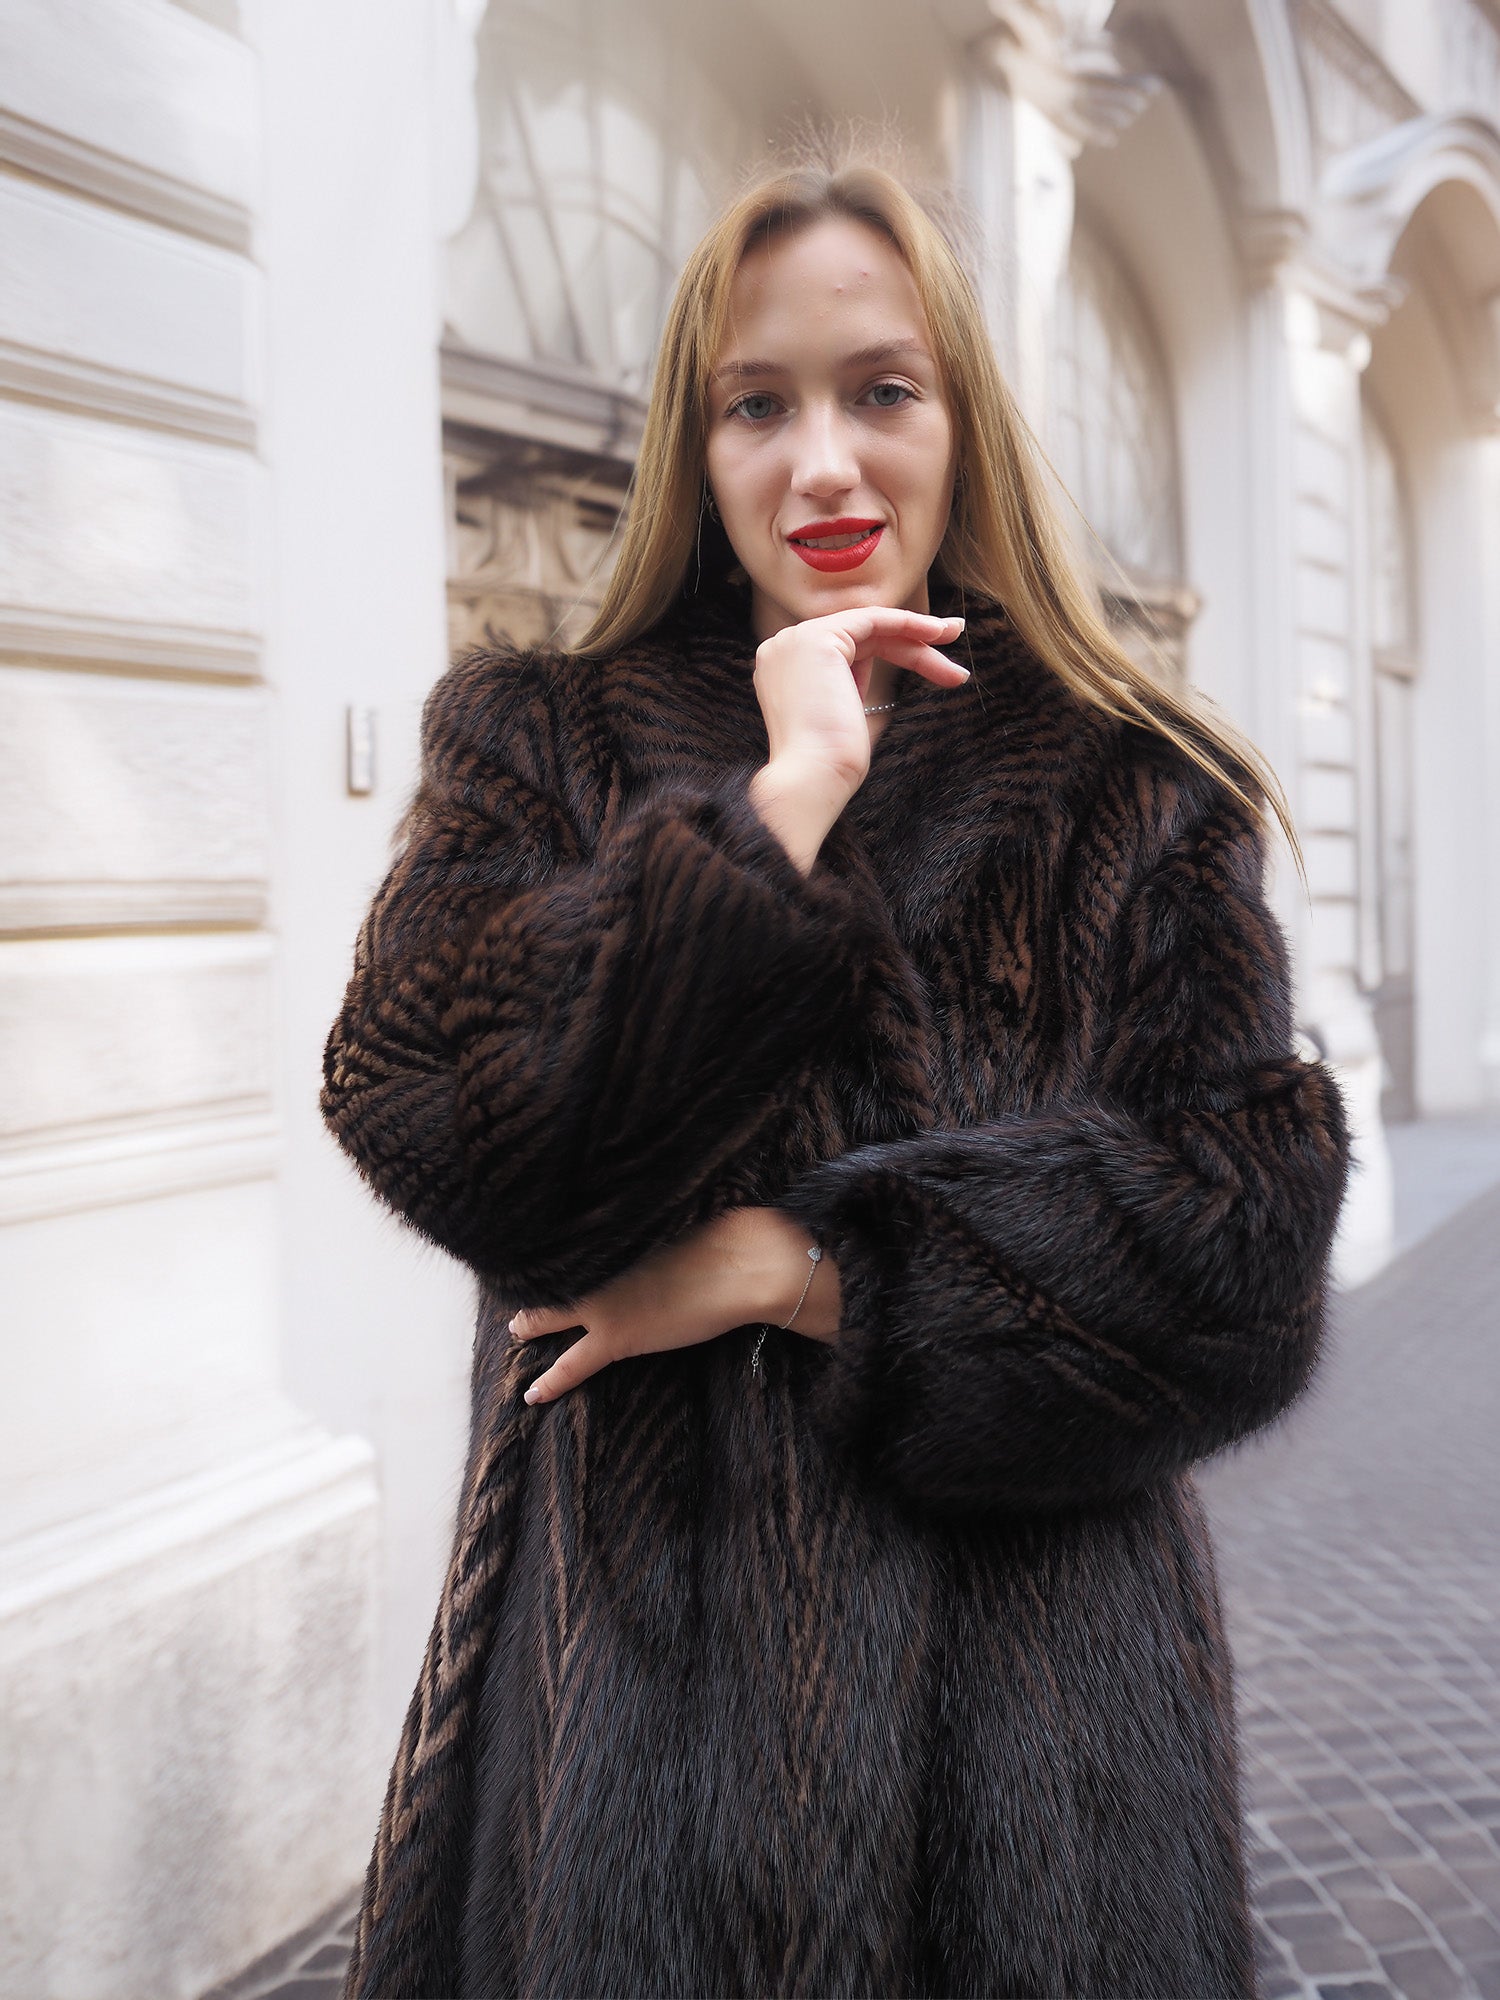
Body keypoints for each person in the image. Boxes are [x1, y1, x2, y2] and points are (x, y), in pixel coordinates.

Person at [321, 156, 1351, 2000]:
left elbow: (1244, 1251)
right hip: (631, 1782)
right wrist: (774, 810)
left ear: (961, 419)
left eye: (882, 391)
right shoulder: (540, 744)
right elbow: (435, 1113)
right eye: (757, 404)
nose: (823, 464)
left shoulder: (1138, 785)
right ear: (691, 447)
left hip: (1046, 1791)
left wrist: (821, 1277)